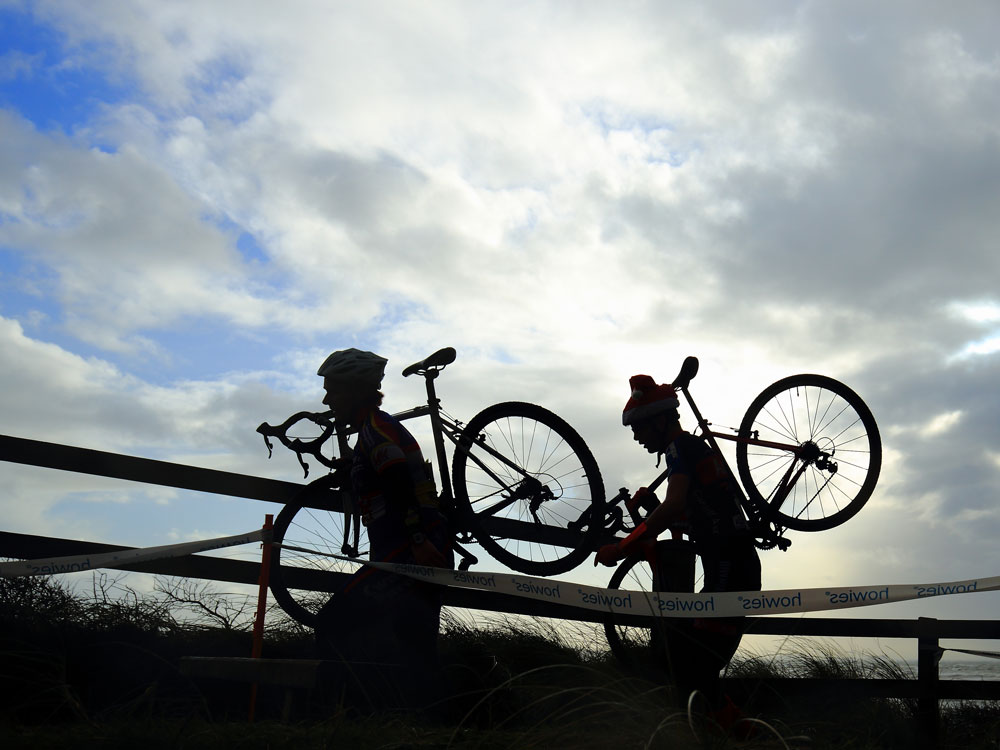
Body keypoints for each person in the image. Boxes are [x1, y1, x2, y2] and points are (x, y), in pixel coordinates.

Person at [595, 374, 761, 733]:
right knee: (692, 666)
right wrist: (654, 510)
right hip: (732, 566)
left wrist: (622, 547)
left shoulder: (679, 449)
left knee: (694, 666)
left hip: (730, 570)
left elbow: (674, 510)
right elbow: (697, 516)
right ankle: (737, 732)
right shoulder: (690, 449)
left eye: (639, 427)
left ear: (659, 419)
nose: (637, 436)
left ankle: (741, 733)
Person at [312, 347, 453, 712]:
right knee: (414, 644)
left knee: (334, 623)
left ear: (357, 391)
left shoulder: (376, 431)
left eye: (333, 390)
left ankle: (341, 716)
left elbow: (397, 481)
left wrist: (418, 540)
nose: (327, 399)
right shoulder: (373, 432)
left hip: (409, 552)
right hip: (411, 547)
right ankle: (430, 723)